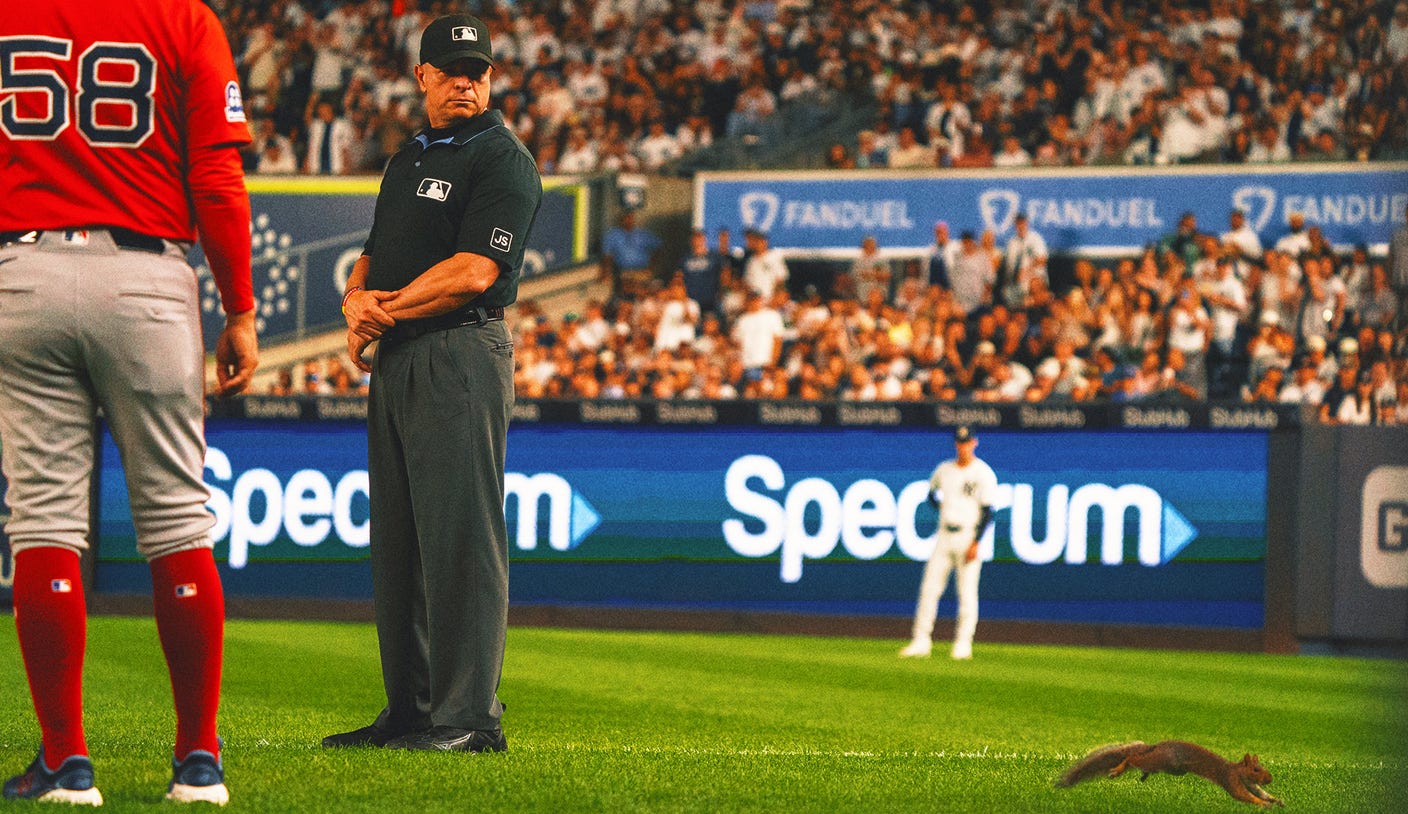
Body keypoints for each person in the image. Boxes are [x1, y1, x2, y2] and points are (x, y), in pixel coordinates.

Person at [0, 0, 259, 804]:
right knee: (179, 517)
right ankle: (197, 763)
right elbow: (215, 174)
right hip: (146, 273)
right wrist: (240, 307)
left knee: (43, 521)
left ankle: (68, 765)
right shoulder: (183, 16)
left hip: (25, 270)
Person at [326, 12, 543, 754]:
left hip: (458, 354)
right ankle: (413, 711)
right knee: (400, 543)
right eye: (451, 72)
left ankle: (469, 719)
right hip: (399, 357)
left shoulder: (502, 158)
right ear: (421, 77)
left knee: (460, 542)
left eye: (477, 72)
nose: (465, 83)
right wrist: (357, 301)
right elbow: (373, 253)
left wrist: (377, 313)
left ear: (491, 77)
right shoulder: (410, 156)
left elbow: (475, 272)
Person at [900, 426, 998, 661]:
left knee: (967, 593)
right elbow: (931, 494)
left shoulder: (983, 473)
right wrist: (941, 506)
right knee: (929, 589)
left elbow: (988, 511)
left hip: (968, 535)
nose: (962, 446)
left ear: (974, 443)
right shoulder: (945, 470)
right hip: (944, 534)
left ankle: (963, 643)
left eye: (966, 442)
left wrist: (976, 542)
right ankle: (921, 640)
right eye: (959, 442)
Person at [600, 209, 661, 299]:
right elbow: (607, 256)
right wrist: (606, 273)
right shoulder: (613, 235)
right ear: (620, 220)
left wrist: (651, 267)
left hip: (642, 271)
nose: (628, 220)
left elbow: (658, 248)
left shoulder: (642, 234)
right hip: (623, 272)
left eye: (630, 218)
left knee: (643, 296)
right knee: (625, 298)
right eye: (626, 218)